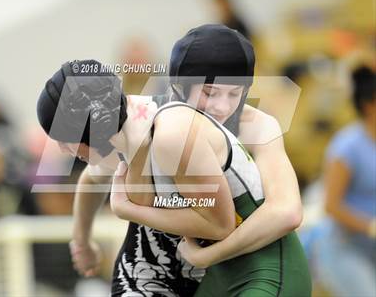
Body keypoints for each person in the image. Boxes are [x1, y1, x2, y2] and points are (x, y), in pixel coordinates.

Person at [110, 25, 311, 296]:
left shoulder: (258, 126)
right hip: (208, 277)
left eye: (235, 93)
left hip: (260, 269)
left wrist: (209, 255)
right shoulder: (157, 118)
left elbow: (287, 212)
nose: (222, 107)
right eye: (209, 92)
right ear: (179, 88)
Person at [37, 59, 238, 296]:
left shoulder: (169, 135)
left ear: (89, 128)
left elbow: (220, 224)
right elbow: (91, 180)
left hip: (233, 255)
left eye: (62, 138)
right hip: (200, 254)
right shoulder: (119, 129)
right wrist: (82, 243)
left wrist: (130, 210)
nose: (61, 149)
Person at [313, 65, 376, 296]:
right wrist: (370, 226)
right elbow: (331, 206)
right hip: (346, 249)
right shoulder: (346, 147)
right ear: (369, 105)